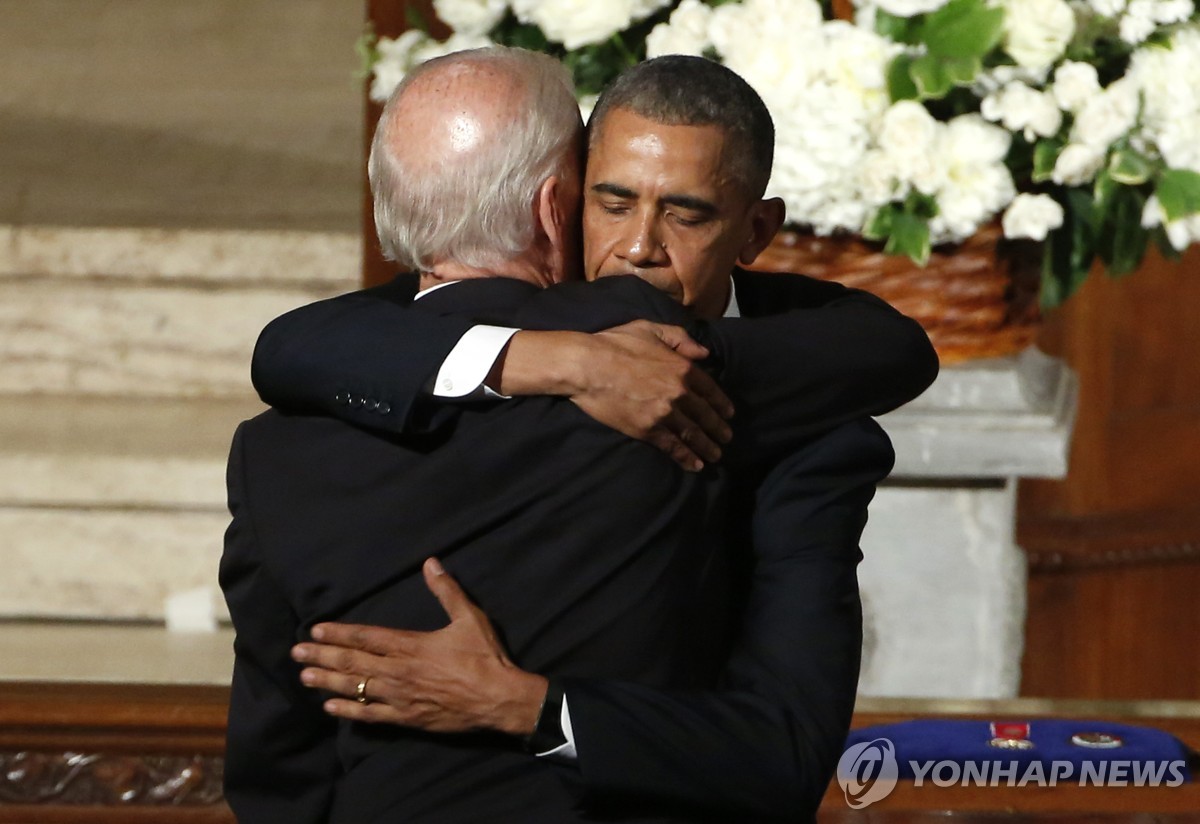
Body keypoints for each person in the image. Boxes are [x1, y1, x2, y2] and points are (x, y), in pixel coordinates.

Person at [224, 50, 936, 823]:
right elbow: (294, 343)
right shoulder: (350, 370)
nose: (638, 248)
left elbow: (276, 781)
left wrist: (527, 707)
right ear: (559, 207)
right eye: (612, 202)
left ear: (756, 229)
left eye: (686, 213)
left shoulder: (276, 446)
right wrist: (552, 356)